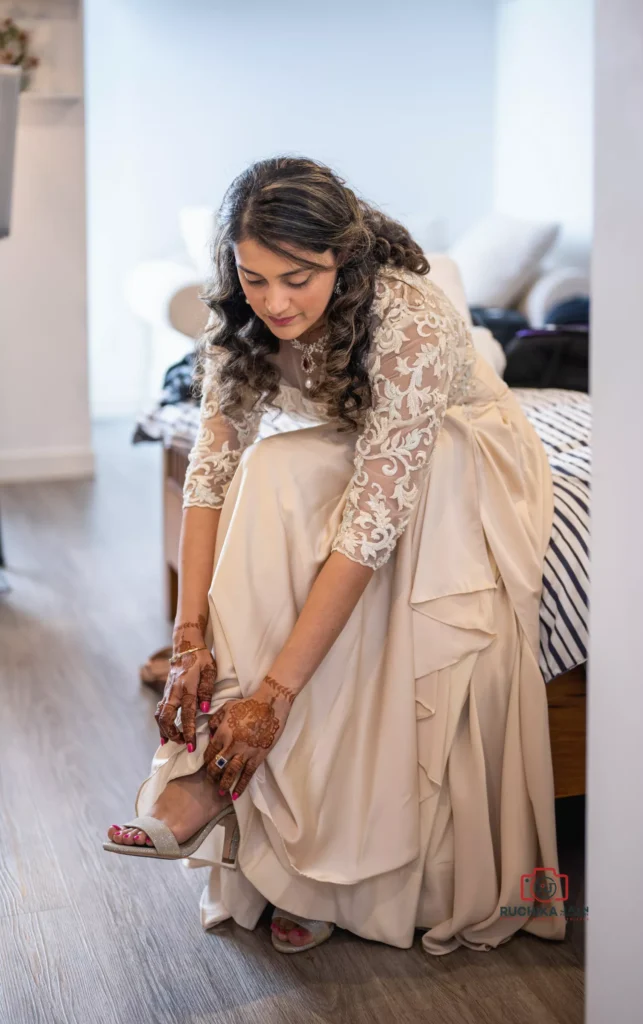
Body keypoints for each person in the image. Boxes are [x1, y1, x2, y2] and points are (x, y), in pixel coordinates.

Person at [103, 156, 566, 956]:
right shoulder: (238, 313)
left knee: (317, 520)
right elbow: (210, 467)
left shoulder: (407, 318)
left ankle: (245, 802)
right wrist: (188, 639)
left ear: (342, 261)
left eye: (298, 278)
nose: (274, 302)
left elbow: (369, 526)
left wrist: (274, 694)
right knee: (267, 472)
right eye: (254, 279)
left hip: (464, 454)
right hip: (359, 443)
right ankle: (281, 848)